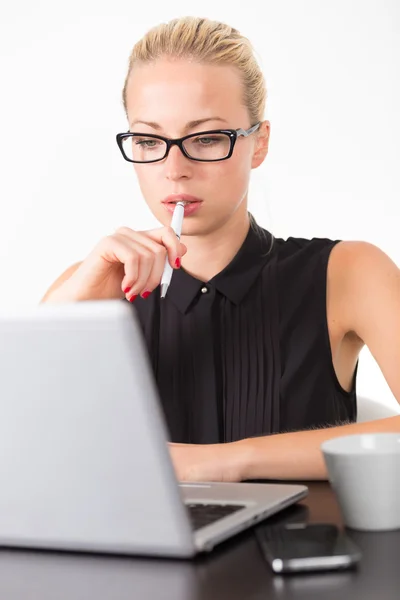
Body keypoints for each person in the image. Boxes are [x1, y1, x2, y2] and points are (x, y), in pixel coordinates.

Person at [41, 16, 400, 482]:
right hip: (139, 556)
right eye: (149, 140)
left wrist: (224, 461)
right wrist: (69, 312)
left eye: (207, 138)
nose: (174, 169)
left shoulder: (349, 272)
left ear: (259, 144)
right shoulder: (89, 282)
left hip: (297, 554)